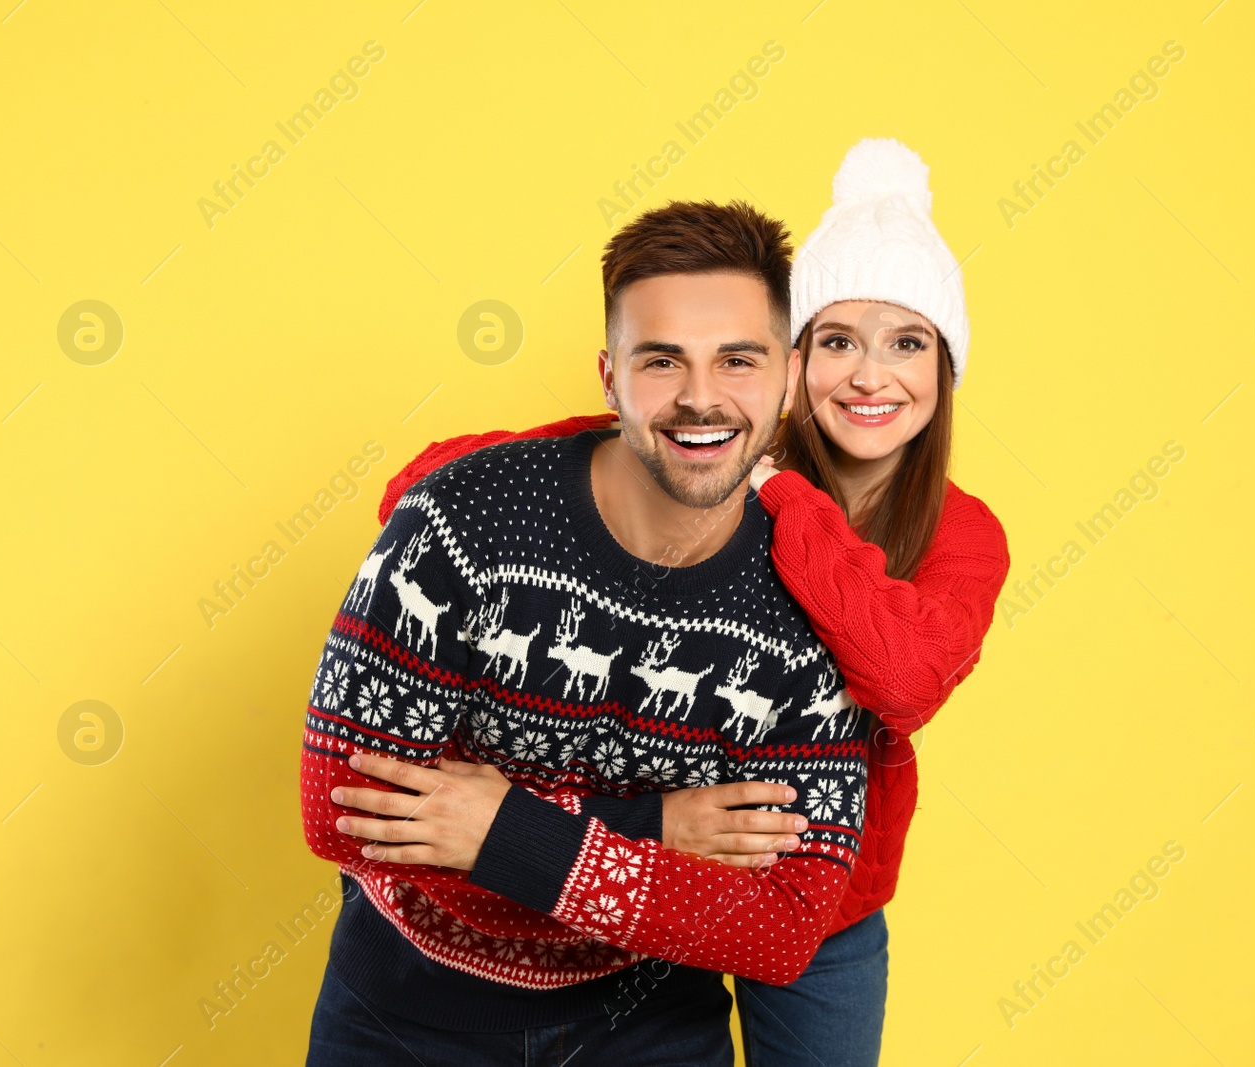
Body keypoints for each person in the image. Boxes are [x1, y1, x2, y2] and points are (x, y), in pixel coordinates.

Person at [367, 137, 1011, 1066]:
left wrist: (783, 489)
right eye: (837, 341)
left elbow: (905, 679)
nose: (871, 376)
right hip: (677, 859)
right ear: (792, 362)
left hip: (826, 903)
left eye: (907, 342)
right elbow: (423, 488)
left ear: (945, 364)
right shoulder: (706, 446)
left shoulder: (959, 532)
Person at [300, 198, 874, 1066]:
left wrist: (498, 830)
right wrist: (657, 827)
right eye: (661, 361)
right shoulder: (462, 521)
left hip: (648, 1030)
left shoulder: (815, 601)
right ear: (609, 376)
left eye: (739, 360)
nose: (700, 397)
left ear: (790, 376)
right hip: (400, 1017)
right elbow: (340, 808)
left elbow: (781, 928)